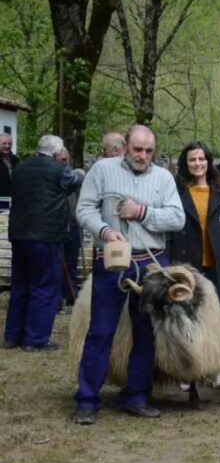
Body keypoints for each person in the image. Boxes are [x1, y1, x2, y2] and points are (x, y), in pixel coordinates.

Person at [72, 125, 185, 425]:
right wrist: (105, 230)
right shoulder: (102, 170)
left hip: (151, 262)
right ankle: (87, 400)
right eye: (137, 149)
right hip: (112, 259)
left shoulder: (163, 178)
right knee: (101, 330)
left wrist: (143, 212)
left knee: (146, 332)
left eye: (149, 151)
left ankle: (136, 396)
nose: (143, 156)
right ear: (125, 146)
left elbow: (177, 218)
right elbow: (84, 210)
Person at [3, 136, 84, 351]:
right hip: (46, 235)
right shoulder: (58, 169)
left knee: (20, 285)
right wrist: (81, 173)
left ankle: (13, 336)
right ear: (57, 153)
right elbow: (74, 181)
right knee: (45, 286)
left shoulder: (20, 168)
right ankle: (36, 339)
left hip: (19, 235)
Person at [168, 141, 220, 303]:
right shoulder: (175, 191)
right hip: (187, 261)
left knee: (217, 312)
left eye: (201, 159)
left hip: (217, 261)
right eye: (192, 160)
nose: (198, 163)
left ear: (208, 162)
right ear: (185, 163)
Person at [56, 148, 83, 308]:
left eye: (66, 160)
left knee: (71, 262)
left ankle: (71, 295)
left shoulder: (74, 176)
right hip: (56, 226)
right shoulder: (51, 177)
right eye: (61, 159)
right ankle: (57, 297)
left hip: (72, 224)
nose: (63, 163)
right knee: (56, 263)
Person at [0, 132, 19, 203]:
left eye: (9, 143)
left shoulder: (15, 159)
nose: (7, 146)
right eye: (4, 143)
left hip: (13, 197)